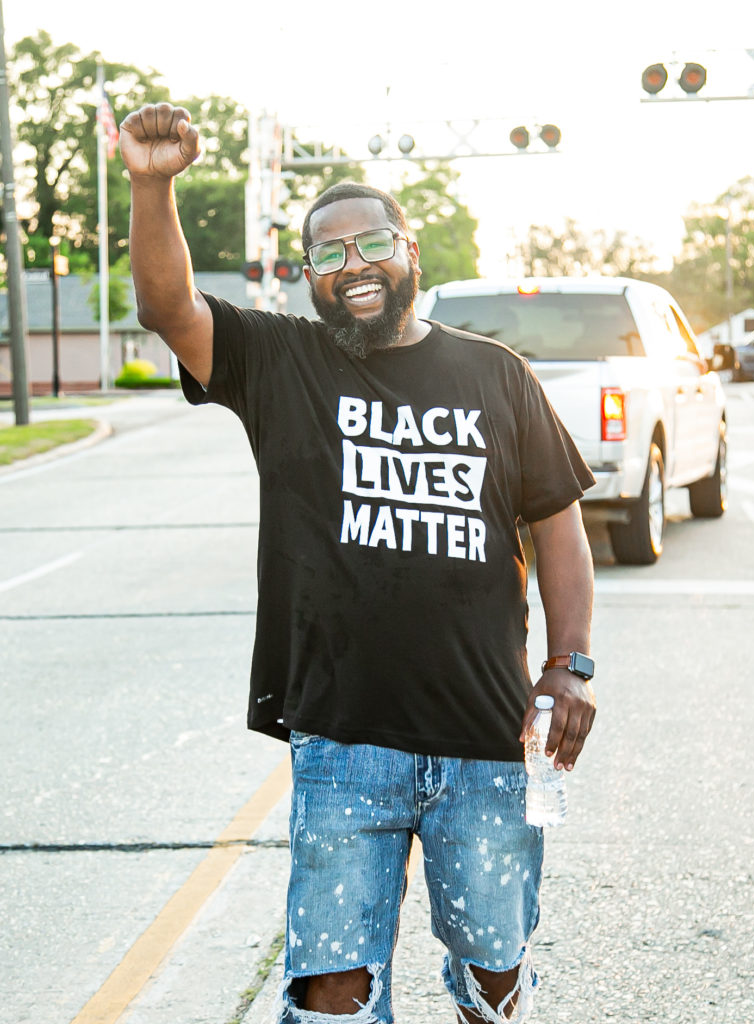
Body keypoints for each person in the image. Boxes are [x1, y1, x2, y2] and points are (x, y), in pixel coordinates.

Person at [120, 102, 597, 1024]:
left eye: (372, 243)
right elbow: (167, 308)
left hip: (485, 739)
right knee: (330, 990)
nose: (354, 265)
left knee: (495, 980)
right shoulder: (278, 360)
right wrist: (152, 185)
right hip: (342, 741)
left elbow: (557, 523)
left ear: (409, 251)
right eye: (328, 254)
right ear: (308, 277)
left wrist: (567, 665)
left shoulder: (495, 374)